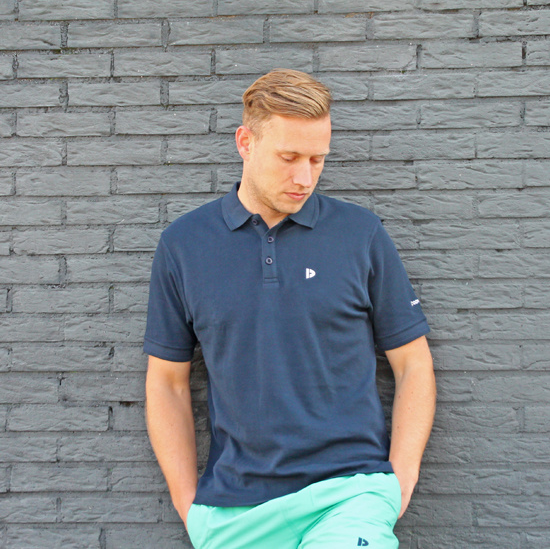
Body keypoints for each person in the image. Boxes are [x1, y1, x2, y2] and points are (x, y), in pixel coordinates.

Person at [144, 69, 436, 549]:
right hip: (235, 512)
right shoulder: (184, 245)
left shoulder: (360, 234)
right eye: (289, 157)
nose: (305, 178)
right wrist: (188, 504)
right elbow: (167, 382)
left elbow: (413, 363)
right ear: (245, 142)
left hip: (348, 495)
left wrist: (398, 483)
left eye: (317, 159)